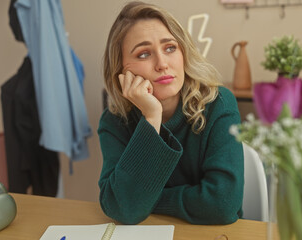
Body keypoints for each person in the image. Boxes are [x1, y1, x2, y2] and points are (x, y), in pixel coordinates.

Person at [98, 1, 244, 225]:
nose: (162, 63)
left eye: (170, 48)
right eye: (144, 54)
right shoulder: (114, 121)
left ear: (183, 52)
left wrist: (146, 199)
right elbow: (122, 209)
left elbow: (222, 205)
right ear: (121, 70)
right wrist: (151, 118)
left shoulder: (219, 103)